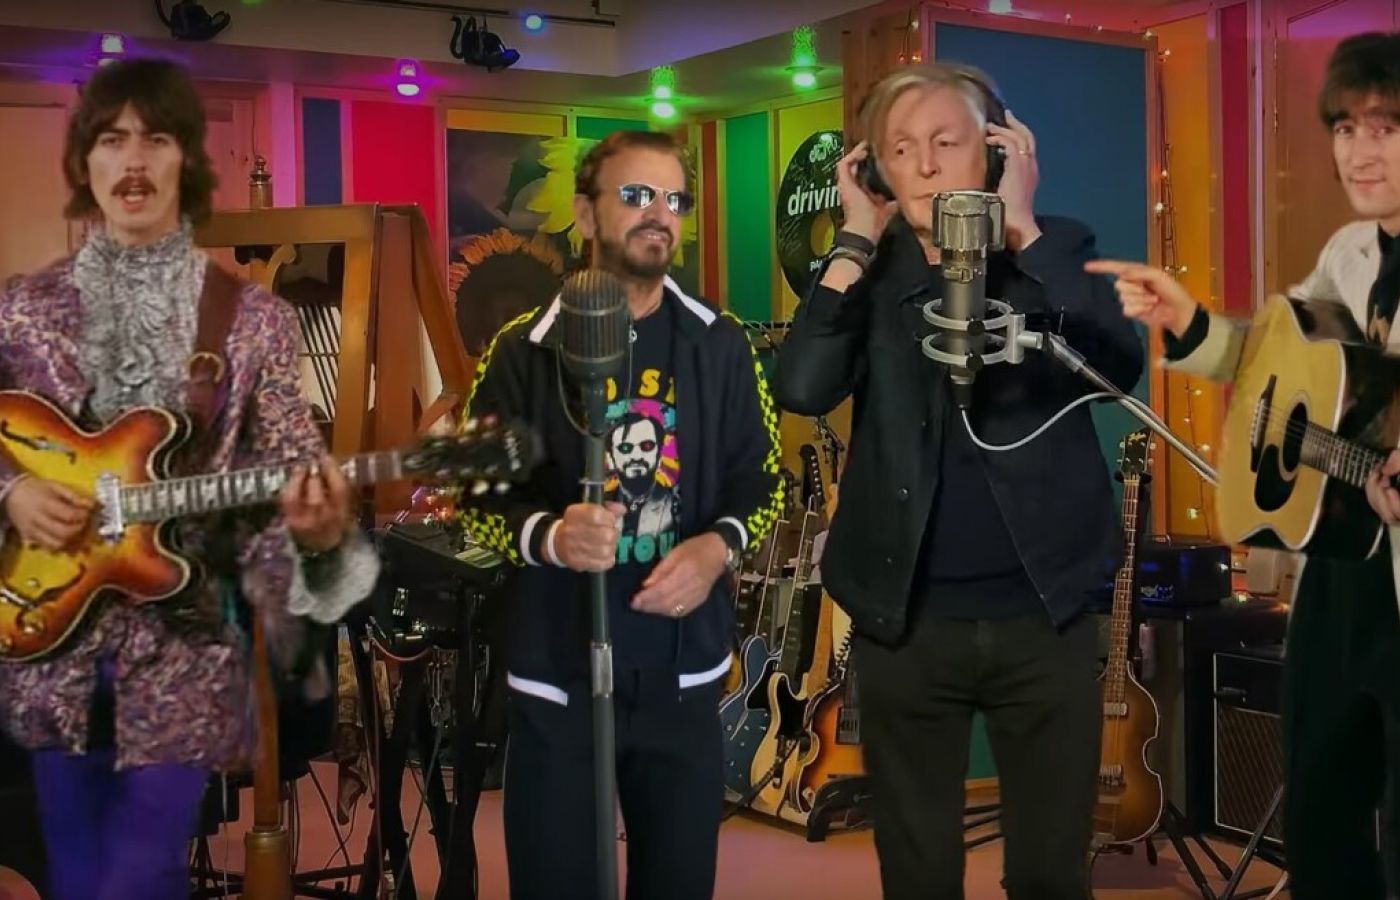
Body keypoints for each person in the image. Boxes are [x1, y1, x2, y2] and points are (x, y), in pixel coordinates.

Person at [0, 58, 379, 900]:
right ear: (85, 161)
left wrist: (321, 534)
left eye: (157, 139)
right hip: (48, 641)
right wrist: (12, 491)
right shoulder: (24, 311)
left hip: (183, 650)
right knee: (77, 879)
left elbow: (290, 469)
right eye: (112, 140)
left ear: (188, 161)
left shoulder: (250, 321)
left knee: (138, 876)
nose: (133, 161)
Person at [772, 62, 1144, 899]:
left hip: (1043, 616)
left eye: (947, 141)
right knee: (918, 873)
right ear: (877, 170)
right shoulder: (867, 272)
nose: (927, 164)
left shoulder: (1058, 247)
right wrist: (854, 239)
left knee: (1050, 874)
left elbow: (1120, 365)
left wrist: (1024, 230)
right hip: (905, 622)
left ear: (998, 154)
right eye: (902, 148)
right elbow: (801, 386)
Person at [1090, 31, 1400, 900]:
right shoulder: (1348, 254)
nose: (1360, 151)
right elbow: (1277, 361)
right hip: (1340, 574)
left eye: (1386, 128)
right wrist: (1189, 323)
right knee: (1323, 818)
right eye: (1345, 129)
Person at [458, 129, 784, 900]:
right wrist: (550, 535)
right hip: (558, 673)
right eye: (636, 195)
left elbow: (764, 480)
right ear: (585, 213)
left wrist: (715, 548)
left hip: (681, 673)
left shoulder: (721, 343)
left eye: (675, 200)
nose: (659, 214)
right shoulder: (522, 348)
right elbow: (473, 493)